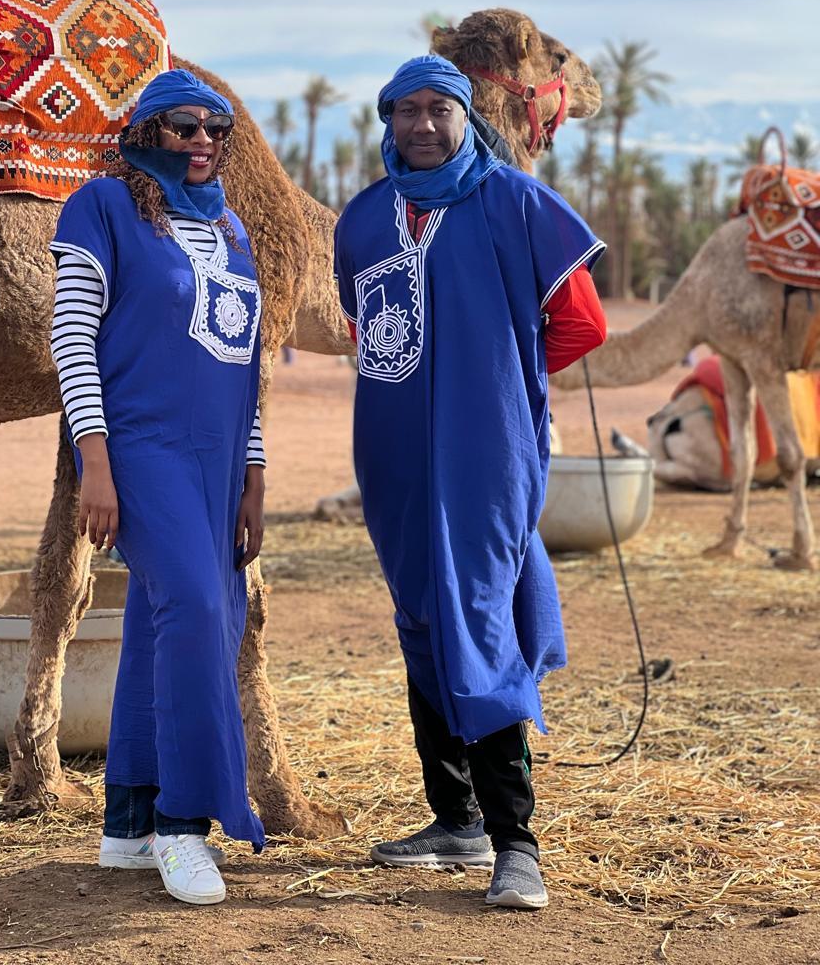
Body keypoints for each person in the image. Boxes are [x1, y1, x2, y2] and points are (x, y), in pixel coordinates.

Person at [333, 55, 607, 910]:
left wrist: (500, 376)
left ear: (466, 117)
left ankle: (515, 843)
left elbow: (582, 323)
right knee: (421, 614)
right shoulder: (364, 220)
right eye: (406, 109)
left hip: (488, 454)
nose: (422, 124)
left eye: (439, 108)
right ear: (388, 120)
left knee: (478, 616)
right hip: (392, 455)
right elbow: (367, 329)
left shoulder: (516, 202)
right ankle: (455, 819)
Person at [48, 68, 266, 906]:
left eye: (217, 129)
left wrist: (253, 474)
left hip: (220, 462)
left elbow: (244, 366)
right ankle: (184, 824)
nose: (202, 141)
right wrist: (94, 463)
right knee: (198, 612)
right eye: (183, 126)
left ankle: (130, 824)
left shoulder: (232, 230)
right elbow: (72, 338)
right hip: (141, 448)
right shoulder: (102, 207)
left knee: (163, 620)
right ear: (146, 134)